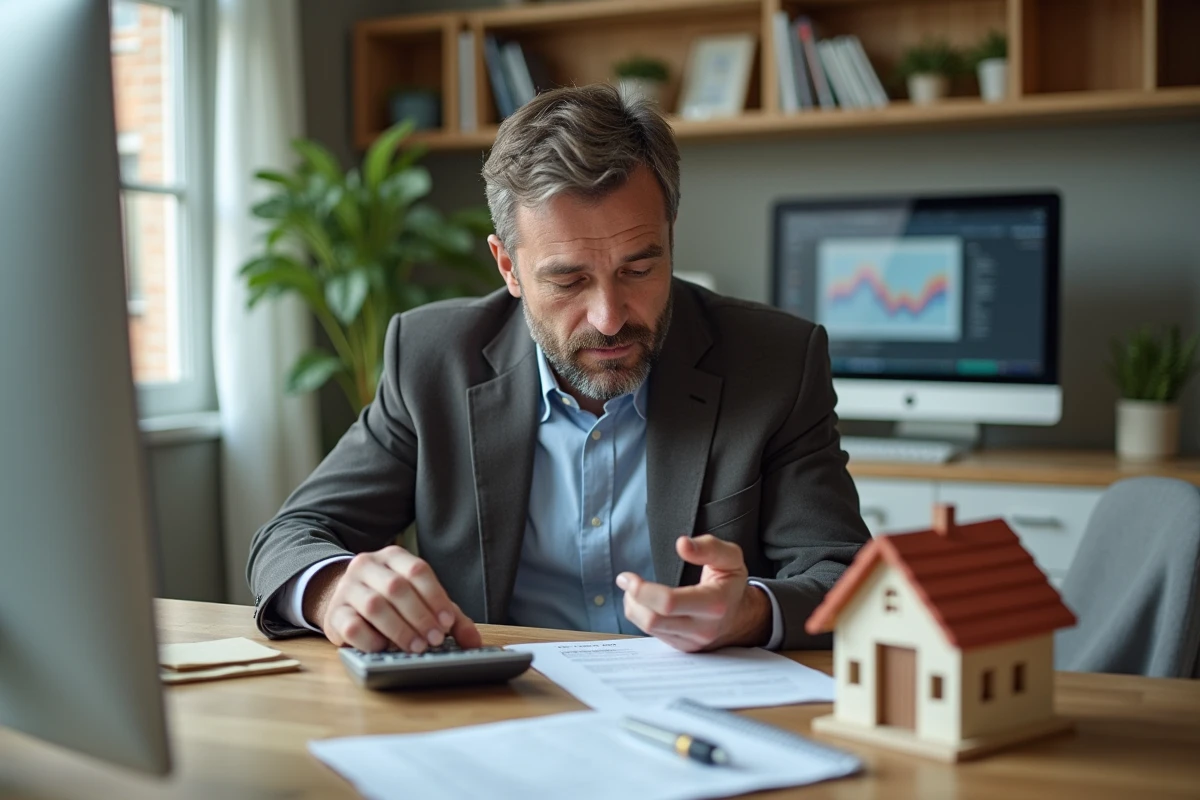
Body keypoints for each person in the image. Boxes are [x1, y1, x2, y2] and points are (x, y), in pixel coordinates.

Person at [247, 84, 870, 655]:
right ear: (508, 267)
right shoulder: (432, 358)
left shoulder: (775, 360)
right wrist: (334, 589)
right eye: (568, 280)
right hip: (502, 711)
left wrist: (753, 613)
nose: (608, 317)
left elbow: (842, 574)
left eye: (639, 269)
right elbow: (293, 535)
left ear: (670, 237)